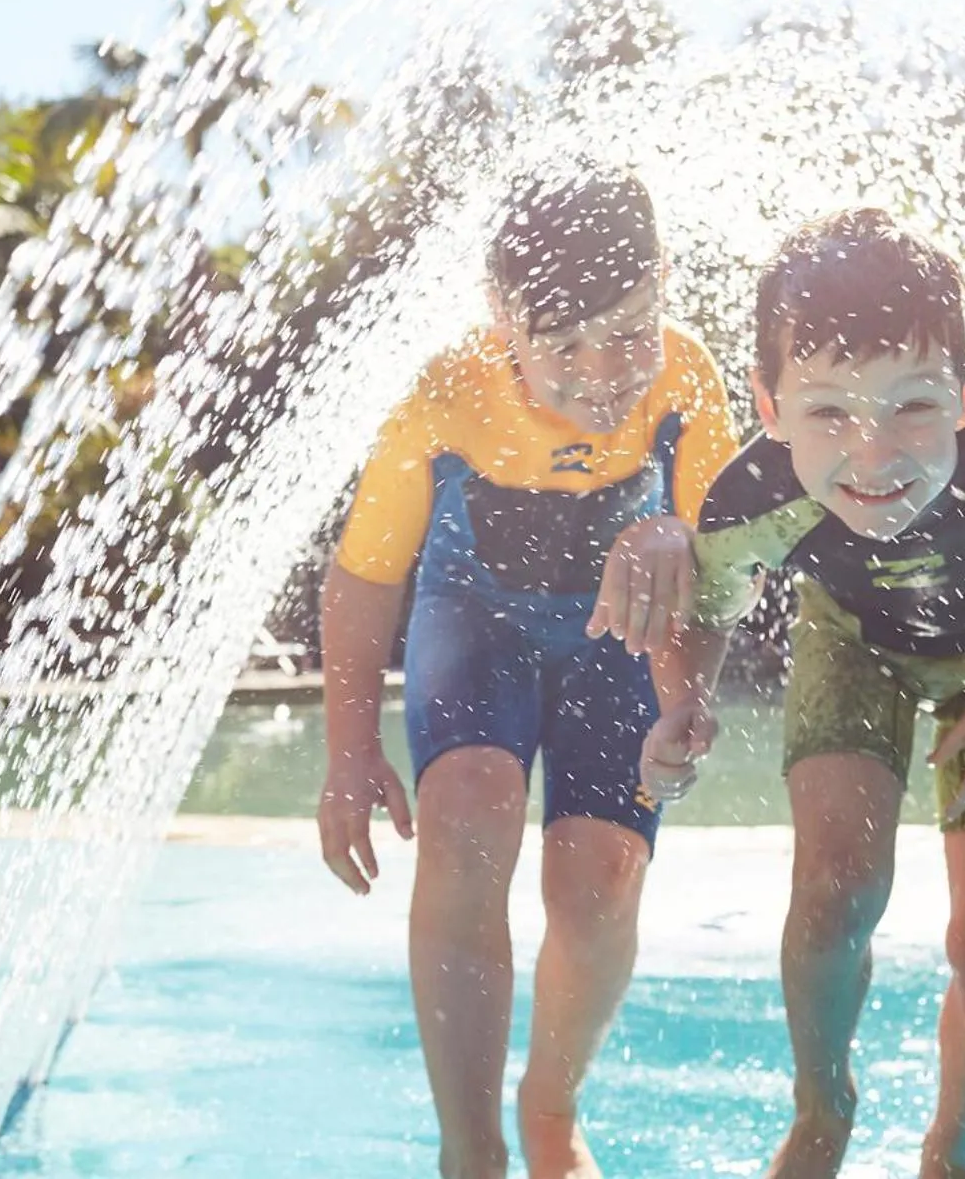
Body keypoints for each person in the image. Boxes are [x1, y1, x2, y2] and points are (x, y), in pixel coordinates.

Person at [638, 208, 965, 1179]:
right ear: (767, 404)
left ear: (964, 394)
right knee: (837, 890)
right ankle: (820, 1107)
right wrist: (685, 701)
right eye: (828, 412)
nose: (873, 454)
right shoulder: (751, 497)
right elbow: (709, 610)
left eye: (912, 408)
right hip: (852, 643)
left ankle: (951, 1151)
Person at [318, 168, 740, 1179]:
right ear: (501, 314)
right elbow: (364, 577)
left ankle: (550, 1108)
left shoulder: (684, 384)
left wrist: (687, 690)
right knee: (467, 808)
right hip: (475, 620)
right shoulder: (446, 394)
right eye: (562, 347)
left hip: (619, 643)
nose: (604, 373)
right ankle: (471, 1152)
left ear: (665, 282)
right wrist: (346, 751)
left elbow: (726, 569)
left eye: (631, 328)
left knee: (597, 882)